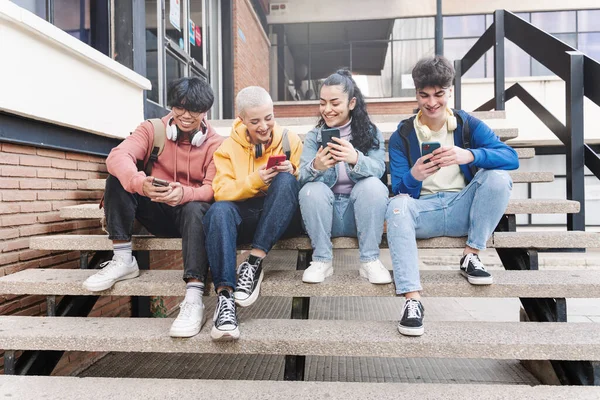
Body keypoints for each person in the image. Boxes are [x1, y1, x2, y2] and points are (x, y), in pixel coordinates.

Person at [386, 56, 518, 337]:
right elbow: (399, 190)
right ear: (416, 94)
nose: (432, 102)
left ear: (449, 92)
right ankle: (412, 300)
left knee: (497, 176)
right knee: (396, 206)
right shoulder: (403, 134)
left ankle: (471, 255)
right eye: (424, 95)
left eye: (439, 94)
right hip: (424, 212)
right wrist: (414, 176)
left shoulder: (467, 124)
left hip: (464, 209)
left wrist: (470, 155)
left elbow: (510, 157)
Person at [82, 77, 224, 339]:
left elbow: (213, 188)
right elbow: (117, 156)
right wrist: (140, 183)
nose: (185, 115)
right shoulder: (152, 129)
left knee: (198, 206)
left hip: (189, 217)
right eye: (179, 108)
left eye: (193, 110)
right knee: (118, 178)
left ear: (205, 112)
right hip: (154, 211)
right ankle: (123, 258)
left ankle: (194, 297)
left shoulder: (216, 143)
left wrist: (185, 194)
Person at [203, 86, 303, 341]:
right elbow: (221, 191)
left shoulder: (291, 140)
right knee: (218, 211)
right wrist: (255, 180)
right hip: (247, 214)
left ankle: (253, 263)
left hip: (283, 216)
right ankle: (225, 300)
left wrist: (293, 171)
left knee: (286, 181)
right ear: (241, 120)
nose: (264, 126)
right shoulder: (226, 148)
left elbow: (306, 183)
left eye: (268, 118)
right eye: (255, 121)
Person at [298, 69, 391, 284]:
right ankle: (322, 260)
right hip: (323, 217)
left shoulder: (369, 132)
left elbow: (378, 170)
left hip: (359, 215)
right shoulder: (314, 136)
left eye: (335, 103)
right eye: (322, 103)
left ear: (351, 103)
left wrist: (355, 158)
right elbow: (301, 177)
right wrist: (316, 166)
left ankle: (370, 261)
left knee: (372, 186)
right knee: (311, 189)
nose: (327, 110)